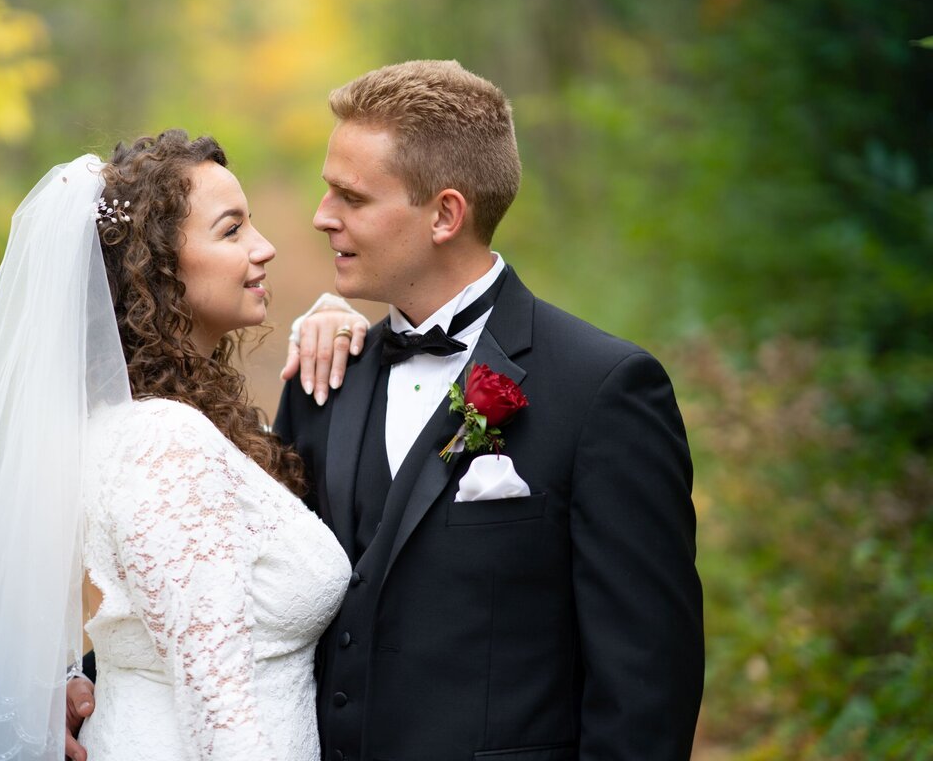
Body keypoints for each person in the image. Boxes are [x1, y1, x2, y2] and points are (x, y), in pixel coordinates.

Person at [71, 61, 704, 760]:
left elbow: (645, 687)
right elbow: (219, 589)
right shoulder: (325, 379)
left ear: (444, 214)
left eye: (351, 196)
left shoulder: (602, 390)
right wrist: (99, 692)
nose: (320, 217)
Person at [0, 131, 359, 761]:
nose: (264, 248)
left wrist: (340, 321)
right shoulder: (163, 444)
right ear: (158, 269)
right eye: (231, 230)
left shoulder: (158, 425)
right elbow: (224, 716)